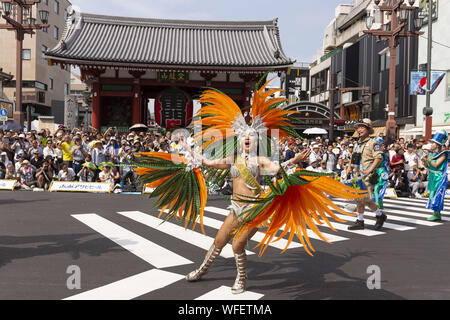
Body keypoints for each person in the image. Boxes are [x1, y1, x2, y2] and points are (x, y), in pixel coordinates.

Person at [346, 119, 387, 231]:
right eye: (358, 127)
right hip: (356, 174)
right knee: (360, 198)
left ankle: (363, 220)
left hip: (368, 175)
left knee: (363, 198)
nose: (359, 130)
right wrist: (349, 167)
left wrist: (369, 171)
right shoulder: (356, 144)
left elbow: (378, 158)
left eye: (362, 127)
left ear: (368, 129)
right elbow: (353, 157)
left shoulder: (374, 143)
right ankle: (378, 216)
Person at [424, 130, 449, 222]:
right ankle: (436, 214)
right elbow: (428, 166)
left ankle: (437, 214)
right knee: (431, 195)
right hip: (432, 176)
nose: (431, 144)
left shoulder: (443, 154)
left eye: (433, 143)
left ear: (437, 145)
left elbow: (436, 165)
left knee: (436, 196)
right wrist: (424, 160)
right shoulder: (432, 154)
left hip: (439, 177)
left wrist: (428, 158)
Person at [371, 137, 390, 210]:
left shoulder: (380, 154)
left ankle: (377, 203)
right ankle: (379, 203)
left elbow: (377, 162)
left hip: (380, 172)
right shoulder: (382, 153)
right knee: (378, 188)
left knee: (377, 188)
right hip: (381, 172)